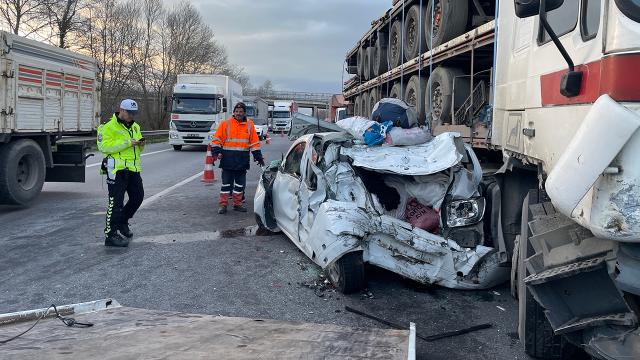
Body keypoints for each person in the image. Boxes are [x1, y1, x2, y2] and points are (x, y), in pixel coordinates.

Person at [97, 99, 145, 247]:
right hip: (116, 170)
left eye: (134, 113)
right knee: (115, 203)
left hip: (133, 169)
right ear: (121, 110)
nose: (132, 116)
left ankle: (122, 222)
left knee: (138, 197)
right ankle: (110, 235)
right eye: (129, 113)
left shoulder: (135, 126)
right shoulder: (107, 126)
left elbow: (137, 150)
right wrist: (128, 143)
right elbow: (103, 147)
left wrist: (141, 144)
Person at [211, 102, 265, 214]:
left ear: (245, 113)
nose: (238, 114)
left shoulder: (249, 125)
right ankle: (223, 205)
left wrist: (258, 155)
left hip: (242, 160)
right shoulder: (226, 124)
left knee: (239, 185)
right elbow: (217, 139)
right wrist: (216, 152)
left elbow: (254, 142)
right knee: (226, 184)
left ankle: (237, 204)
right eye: (236, 112)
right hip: (228, 160)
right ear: (234, 113)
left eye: (241, 112)